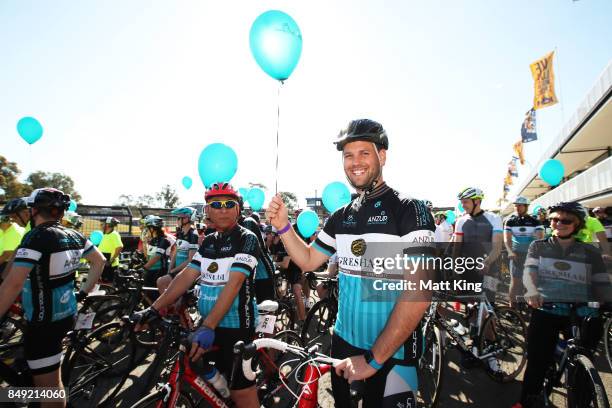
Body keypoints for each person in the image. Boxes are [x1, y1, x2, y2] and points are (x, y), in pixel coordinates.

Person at [266, 118, 435, 407]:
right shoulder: (340, 216)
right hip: (344, 345)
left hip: (392, 354)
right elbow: (307, 260)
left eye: (364, 153)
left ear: (382, 156)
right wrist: (283, 227)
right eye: (348, 155)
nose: (355, 162)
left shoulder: (410, 209)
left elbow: (419, 294)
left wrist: (374, 358)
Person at [132, 183, 260, 408]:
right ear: (207, 210)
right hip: (208, 324)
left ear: (238, 209)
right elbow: (186, 276)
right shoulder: (209, 241)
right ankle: (223, 391)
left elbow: (234, 283)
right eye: (216, 204)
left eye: (229, 204)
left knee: (242, 394)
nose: (223, 209)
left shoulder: (247, 237)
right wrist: (153, 309)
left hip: (238, 326)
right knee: (194, 362)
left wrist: (207, 327)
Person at [0, 188, 106, 408]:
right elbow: (99, 261)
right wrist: (83, 293)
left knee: (50, 389)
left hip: (44, 323)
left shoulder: (37, 236)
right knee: (37, 378)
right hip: (64, 312)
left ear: (35, 209)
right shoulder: (75, 235)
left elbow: (13, 283)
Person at [514, 201, 610, 408]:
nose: (559, 223)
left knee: (584, 365)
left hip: (582, 310)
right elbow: (529, 273)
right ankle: (527, 400)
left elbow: (602, 280)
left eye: (566, 220)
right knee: (537, 361)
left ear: (578, 225)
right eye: (554, 219)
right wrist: (531, 291)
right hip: (547, 307)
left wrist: (604, 298)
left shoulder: (590, 251)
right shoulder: (538, 246)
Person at [504, 196, 544, 306]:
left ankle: (531, 304)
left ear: (526, 207)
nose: (517, 207)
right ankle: (512, 307)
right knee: (515, 282)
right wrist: (510, 251)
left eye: (520, 205)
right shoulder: (510, 220)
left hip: (531, 255)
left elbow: (540, 238)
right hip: (516, 254)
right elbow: (507, 238)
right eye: (516, 205)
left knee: (531, 281)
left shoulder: (534, 221)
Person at [237, 197, 276, 303]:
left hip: (262, 271)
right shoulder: (230, 227)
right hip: (249, 273)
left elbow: (249, 252)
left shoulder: (248, 222)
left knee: (266, 309)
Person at [156, 207, 200, 295]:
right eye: (178, 218)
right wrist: (170, 269)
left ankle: (166, 307)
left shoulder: (193, 234)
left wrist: (174, 270)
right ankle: (167, 307)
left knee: (161, 281)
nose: (178, 220)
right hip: (176, 270)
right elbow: (175, 252)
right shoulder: (180, 233)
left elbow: (191, 259)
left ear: (190, 218)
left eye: (181, 218)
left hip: (185, 271)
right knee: (162, 283)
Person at [141, 216, 173, 300]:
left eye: (147, 229)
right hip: (151, 271)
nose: (146, 231)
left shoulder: (164, 240)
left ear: (152, 229)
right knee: (146, 293)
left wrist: (144, 268)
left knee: (154, 295)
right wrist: (144, 243)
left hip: (159, 272)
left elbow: (157, 257)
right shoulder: (152, 240)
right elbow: (148, 256)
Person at [98, 217, 124, 282]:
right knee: (103, 282)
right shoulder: (103, 234)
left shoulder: (114, 234)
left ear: (107, 225)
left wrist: (111, 260)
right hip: (103, 263)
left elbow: (119, 247)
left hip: (110, 264)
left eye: (102, 224)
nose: (100, 226)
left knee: (108, 283)